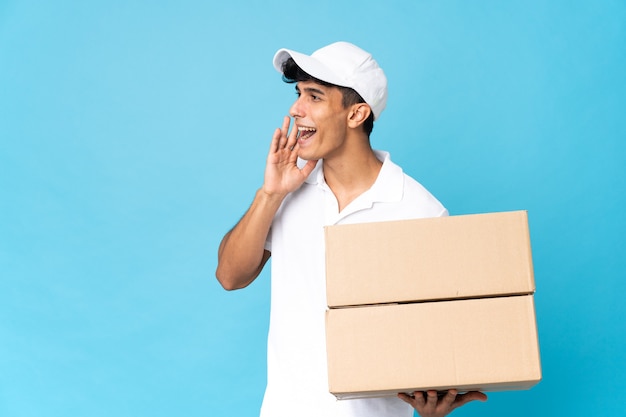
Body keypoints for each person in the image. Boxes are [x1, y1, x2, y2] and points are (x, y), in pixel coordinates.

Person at [215, 41, 487, 417]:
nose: (296, 109)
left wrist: (436, 396)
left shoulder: (420, 210)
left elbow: (441, 337)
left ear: (357, 114)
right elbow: (230, 276)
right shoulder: (289, 190)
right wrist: (270, 194)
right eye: (298, 94)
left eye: (314, 96)